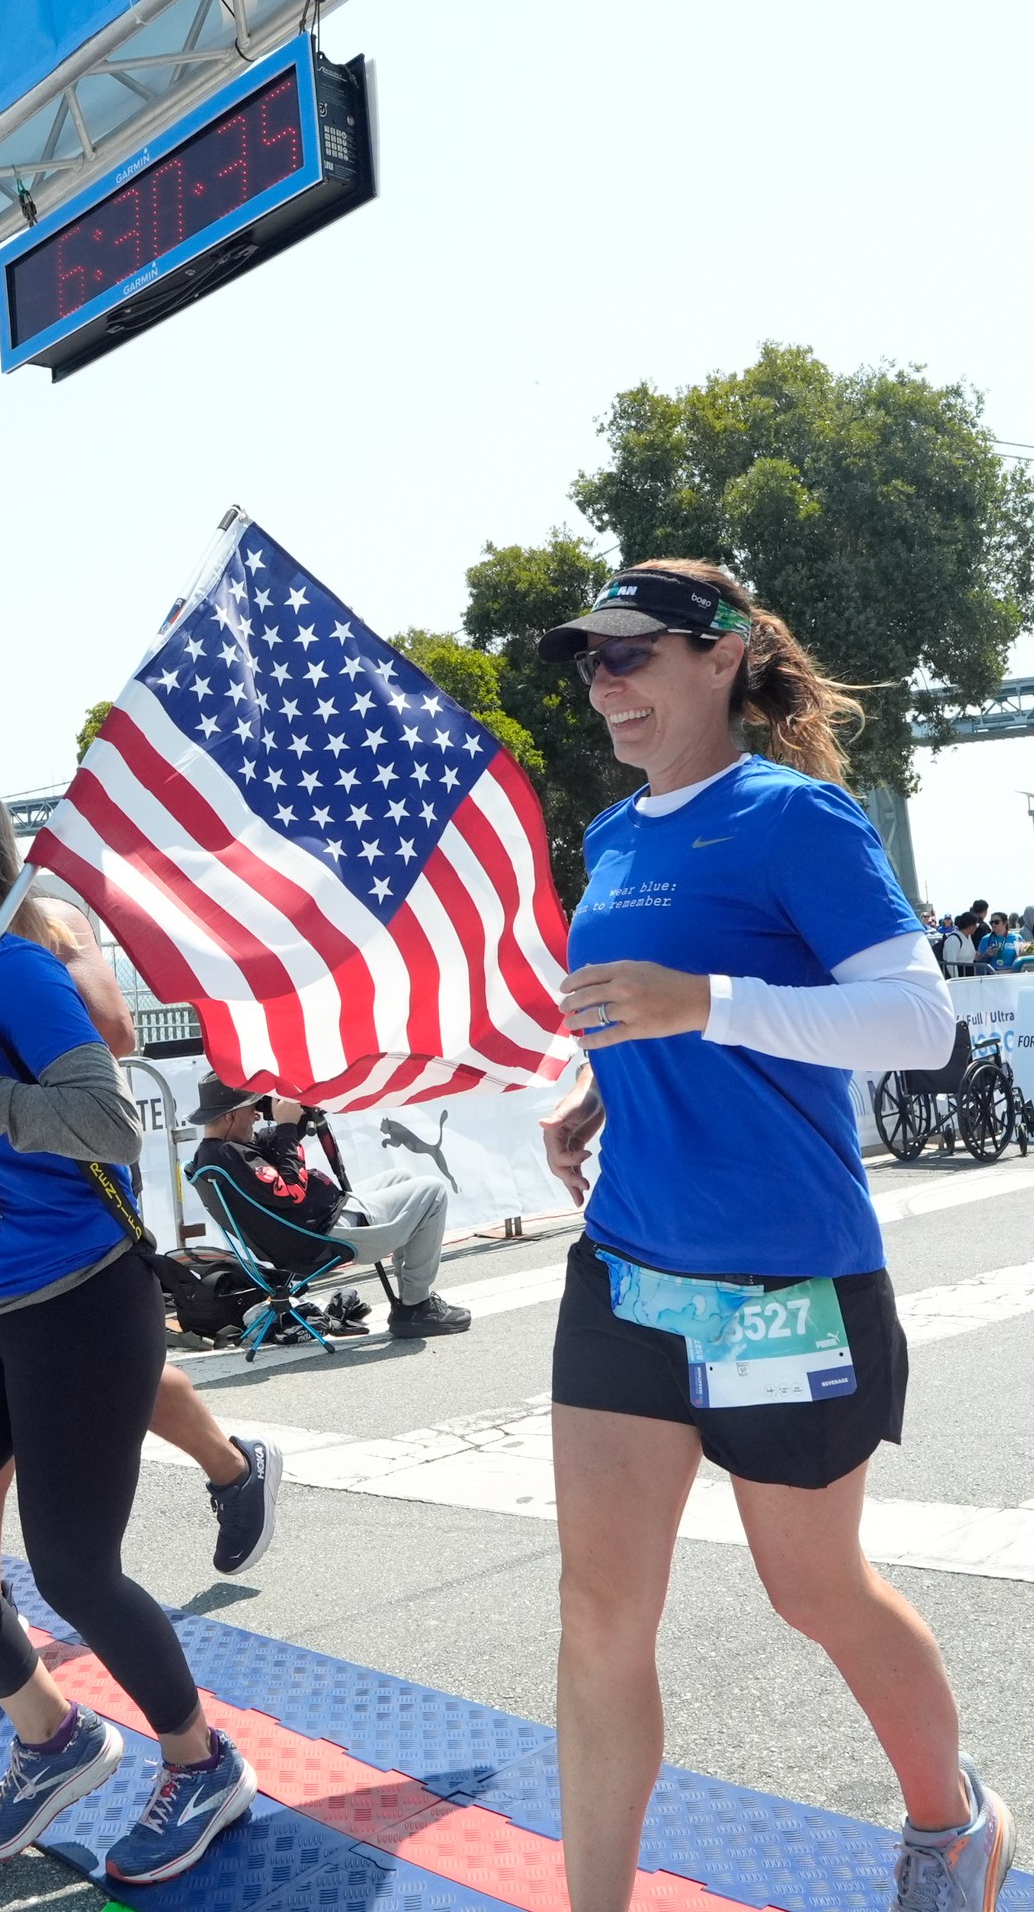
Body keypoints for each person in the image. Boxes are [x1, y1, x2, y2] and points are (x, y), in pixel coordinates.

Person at [535, 562, 1012, 1912]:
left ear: (721, 655)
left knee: (813, 1589)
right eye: (588, 661)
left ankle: (951, 1820)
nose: (601, 683)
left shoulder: (797, 816)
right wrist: (598, 1083)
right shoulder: (615, 834)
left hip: (781, 1277)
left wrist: (707, 1002)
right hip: (628, 1264)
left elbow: (919, 1026)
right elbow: (658, 1010)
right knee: (595, 1621)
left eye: (627, 655)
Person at [0, 782, 256, 1885]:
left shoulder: (16, 973)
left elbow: (109, 1123)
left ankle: (201, 1762)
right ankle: (52, 1735)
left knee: (75, 1566)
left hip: (81, 1301)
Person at [0, 848, 283, 1682]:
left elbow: (117, 1044)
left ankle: (233, 1467)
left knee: (67, 1511)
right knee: (18, 1440)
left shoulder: (45, 927)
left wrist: (12, 1026)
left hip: (78, 1240)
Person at [188, 1075, 471, 1338]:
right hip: (322, 1238)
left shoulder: (216, 1153)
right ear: (230, 1115)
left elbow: (272, 1147)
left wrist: (294, 1118)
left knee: (404, 1179)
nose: (257, 1115)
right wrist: (286, 1127)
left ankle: (411, 1298)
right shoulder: (229, 1156)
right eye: (251, 1108)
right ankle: (416, 1305)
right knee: (432, 1191)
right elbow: (292, 1192)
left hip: (314, 1225)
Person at [940, 911, 979, 979]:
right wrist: (956, 980)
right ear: (970, 926)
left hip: (969, 975)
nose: (976, 927)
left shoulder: (968, 937)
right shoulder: (954, 939)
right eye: (975, 924)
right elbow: (951, 963)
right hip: (959, 976)